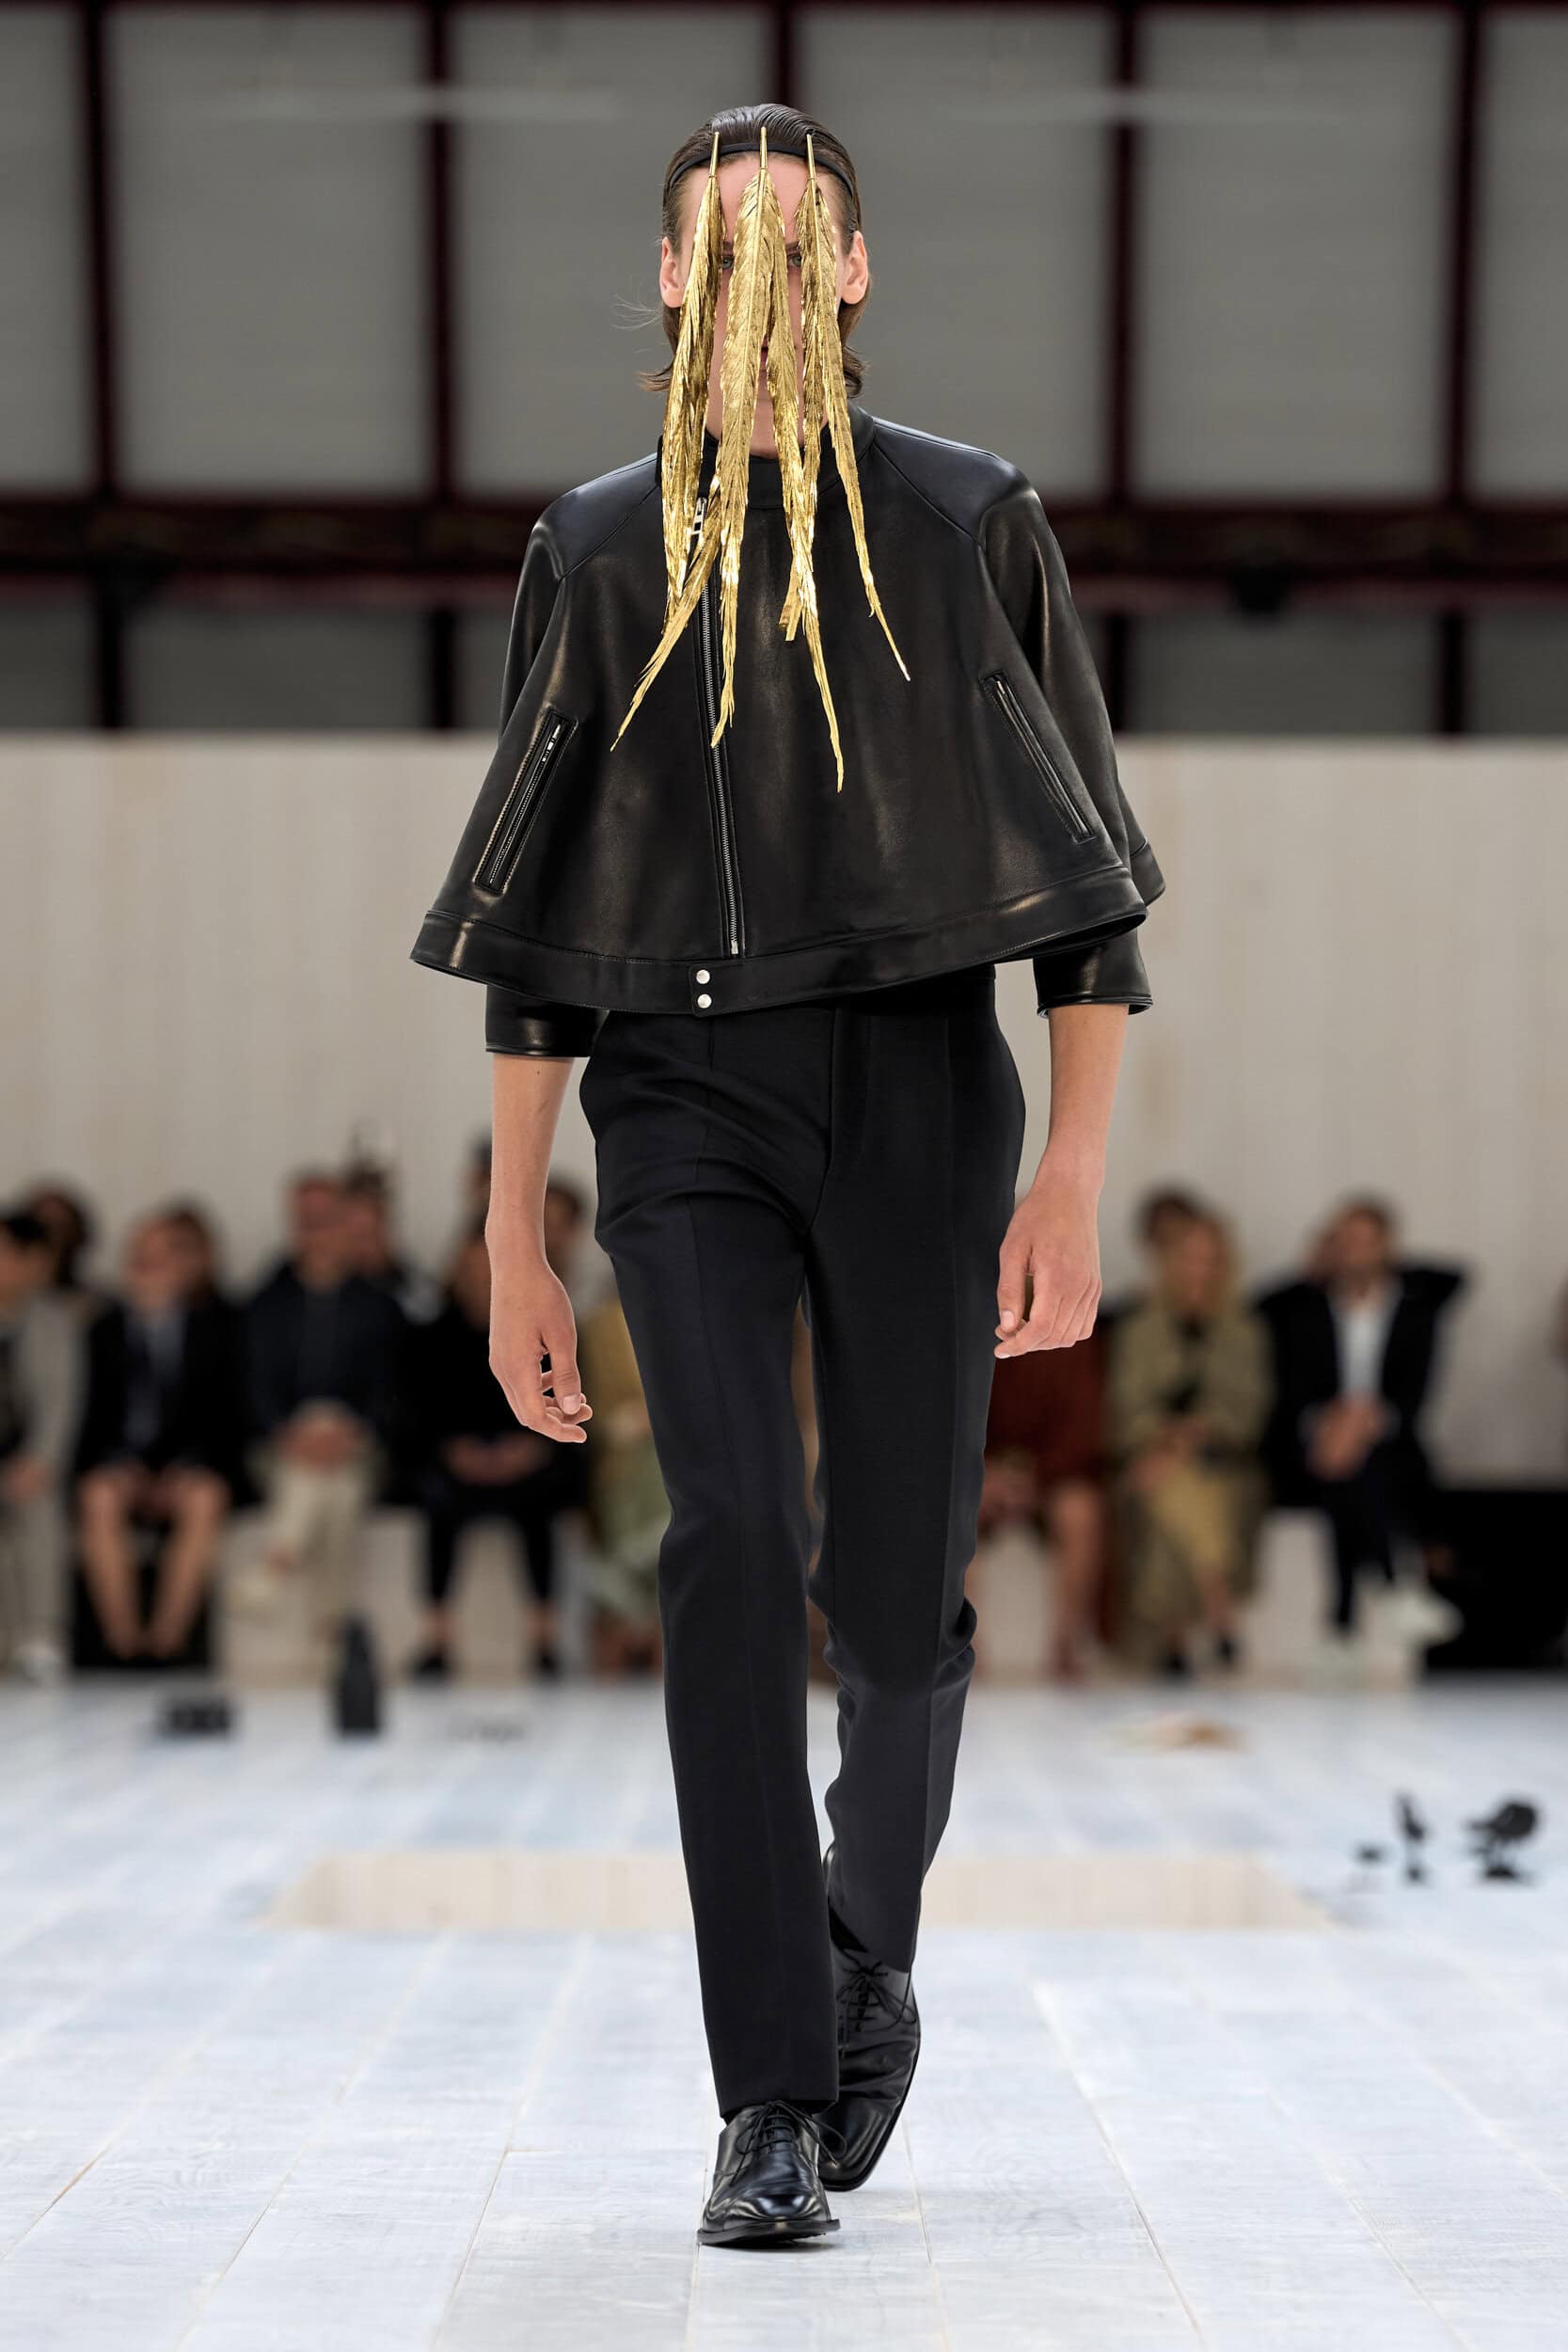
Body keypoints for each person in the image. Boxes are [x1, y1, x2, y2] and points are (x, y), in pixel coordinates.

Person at [408, 105, 1164, 2247]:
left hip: (923, 1085)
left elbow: (1090, 890)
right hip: (683, 1100)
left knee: (896, 1590)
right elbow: (542, 915)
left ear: (850, 267)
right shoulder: (597, 547)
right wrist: (513, 1237)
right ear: (669, 278)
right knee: (730, 1542)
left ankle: (865, 1950)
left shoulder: (965, 519)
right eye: (717, 235)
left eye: (795, 230)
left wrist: (1071, 1176)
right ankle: (767, 2092)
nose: (755, 264)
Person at [1256, 1197, 1466, 1635]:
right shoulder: (1304, 1310)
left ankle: (1343, 1620)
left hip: (1387, 1444)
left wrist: (1359, 1425)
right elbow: (1293, 1392)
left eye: (1367, 1241)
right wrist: (1331, 1426)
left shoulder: (1415, 1311)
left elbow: (1411, 1401)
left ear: (1388, 1247)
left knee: (1355, 1469)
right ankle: (1389, 1588)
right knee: (1345, 1465)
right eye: (1347, 1241)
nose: (1356, 1252)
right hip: (1313, 1441)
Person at [406, 1214, 589, 1680]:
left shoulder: (538, 1328)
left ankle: (544, 1638)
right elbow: (419, 1414)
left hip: (528, 1456)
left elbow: (569, 1399)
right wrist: (457, 1452)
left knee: (539, 1507)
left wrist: (528, 1448)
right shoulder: (434, 1335)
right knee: (437, 1504)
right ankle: (437, 1637)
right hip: (458, 1463)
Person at [73, 1210, 248, 1661]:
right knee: (97, 1496)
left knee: (205, 1498)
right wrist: (121, 1463)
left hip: (189, 1467)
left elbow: (226, 1417)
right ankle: (123, 1642)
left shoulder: (217, 1328)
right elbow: (88, 1417)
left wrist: (183, 1467)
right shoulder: (103, 1330)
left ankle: (167, 1642)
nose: (149, 1272)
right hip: (121, 1465)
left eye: (159, 1261)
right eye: (140, 1261)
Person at [1106, 1209, 1273, 1677]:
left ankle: (1174, 1636)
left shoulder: (1244, 1332)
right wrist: (1165, 1439)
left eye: (1209, 1259)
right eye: (1189, 1257)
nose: (1198, 1269)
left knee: (1174, 1489)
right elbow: (1125, 1406)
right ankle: (1219, 1608)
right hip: (1149, 1457)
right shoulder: (1139, 1329)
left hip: (1223, 1463)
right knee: (1169, 1484)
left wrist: (1190, 1435)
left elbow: (1248, 1411)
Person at [0, 1210, 86, 1682]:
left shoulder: (54, 1322)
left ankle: (41, 1636)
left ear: (30, 1260)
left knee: (39, 1504)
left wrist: (40, 1460)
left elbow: (61, 1402)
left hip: (32, 1460)